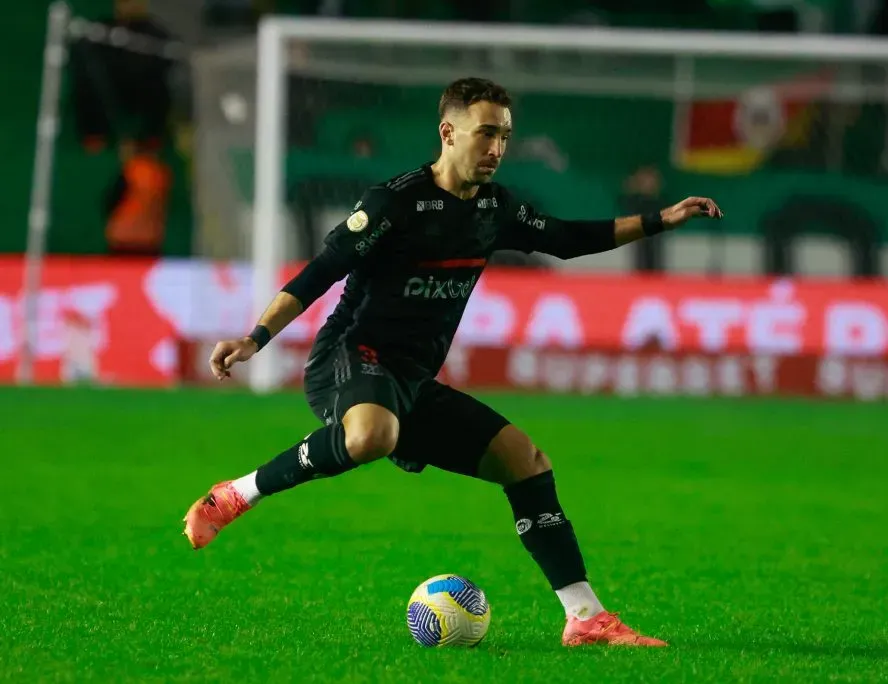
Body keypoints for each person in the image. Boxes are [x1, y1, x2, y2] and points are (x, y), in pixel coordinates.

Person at [183, 77, 723, 647]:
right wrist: (255, 338)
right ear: (448, 132)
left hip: (411, 380)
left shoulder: (495, 207)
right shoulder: (393, 203)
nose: (496, 148)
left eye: (505, 137)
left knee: (527, 460)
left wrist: (660, 218)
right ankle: (239, 492)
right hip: (350, 356)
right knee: (371, 435)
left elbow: (566, 239)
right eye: (486, 133)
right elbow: (322, 271)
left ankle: (585, 617)